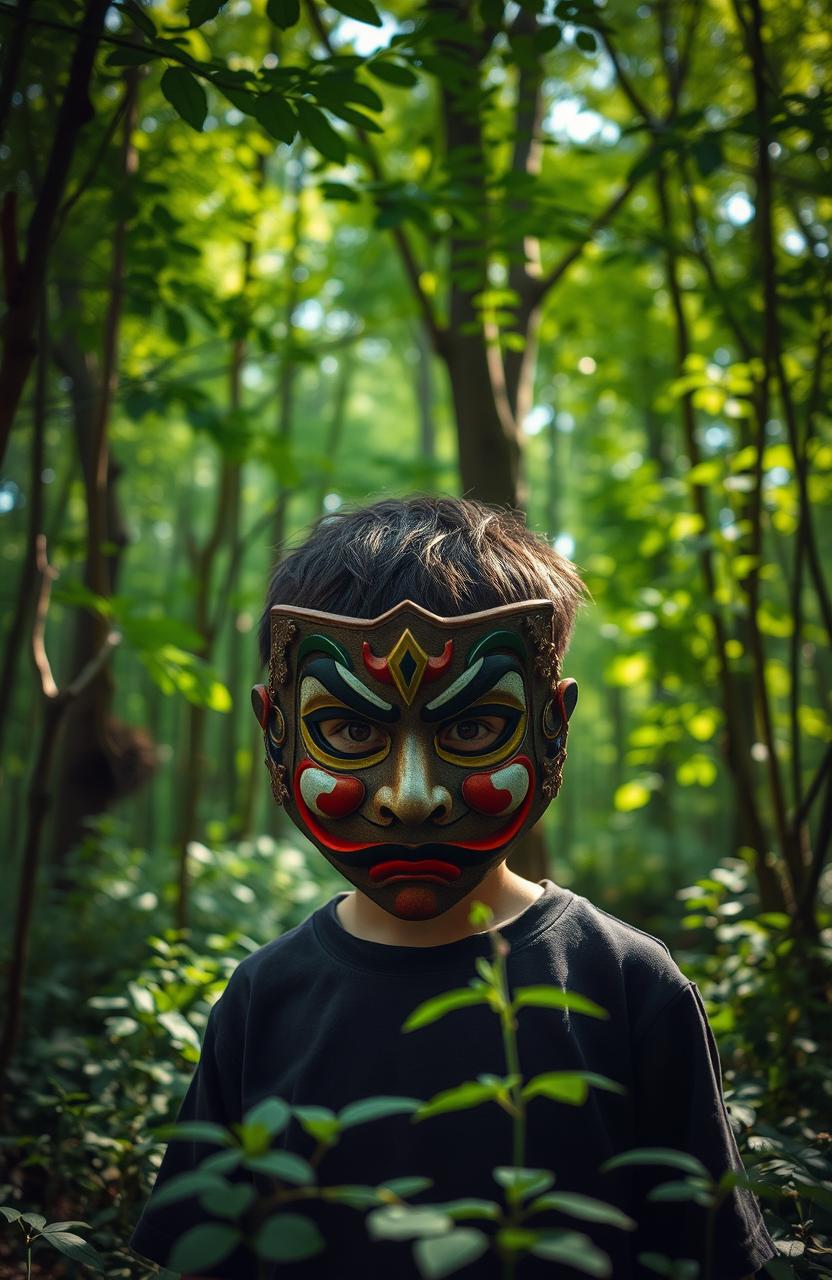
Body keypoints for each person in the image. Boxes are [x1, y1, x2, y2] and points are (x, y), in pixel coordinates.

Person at [129, 496, 776, 1280]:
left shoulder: (632, 987)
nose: (411, 795)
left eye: (471, 729)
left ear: (553, 727)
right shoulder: (263, 999)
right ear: (276, 729)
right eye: (351, 730)